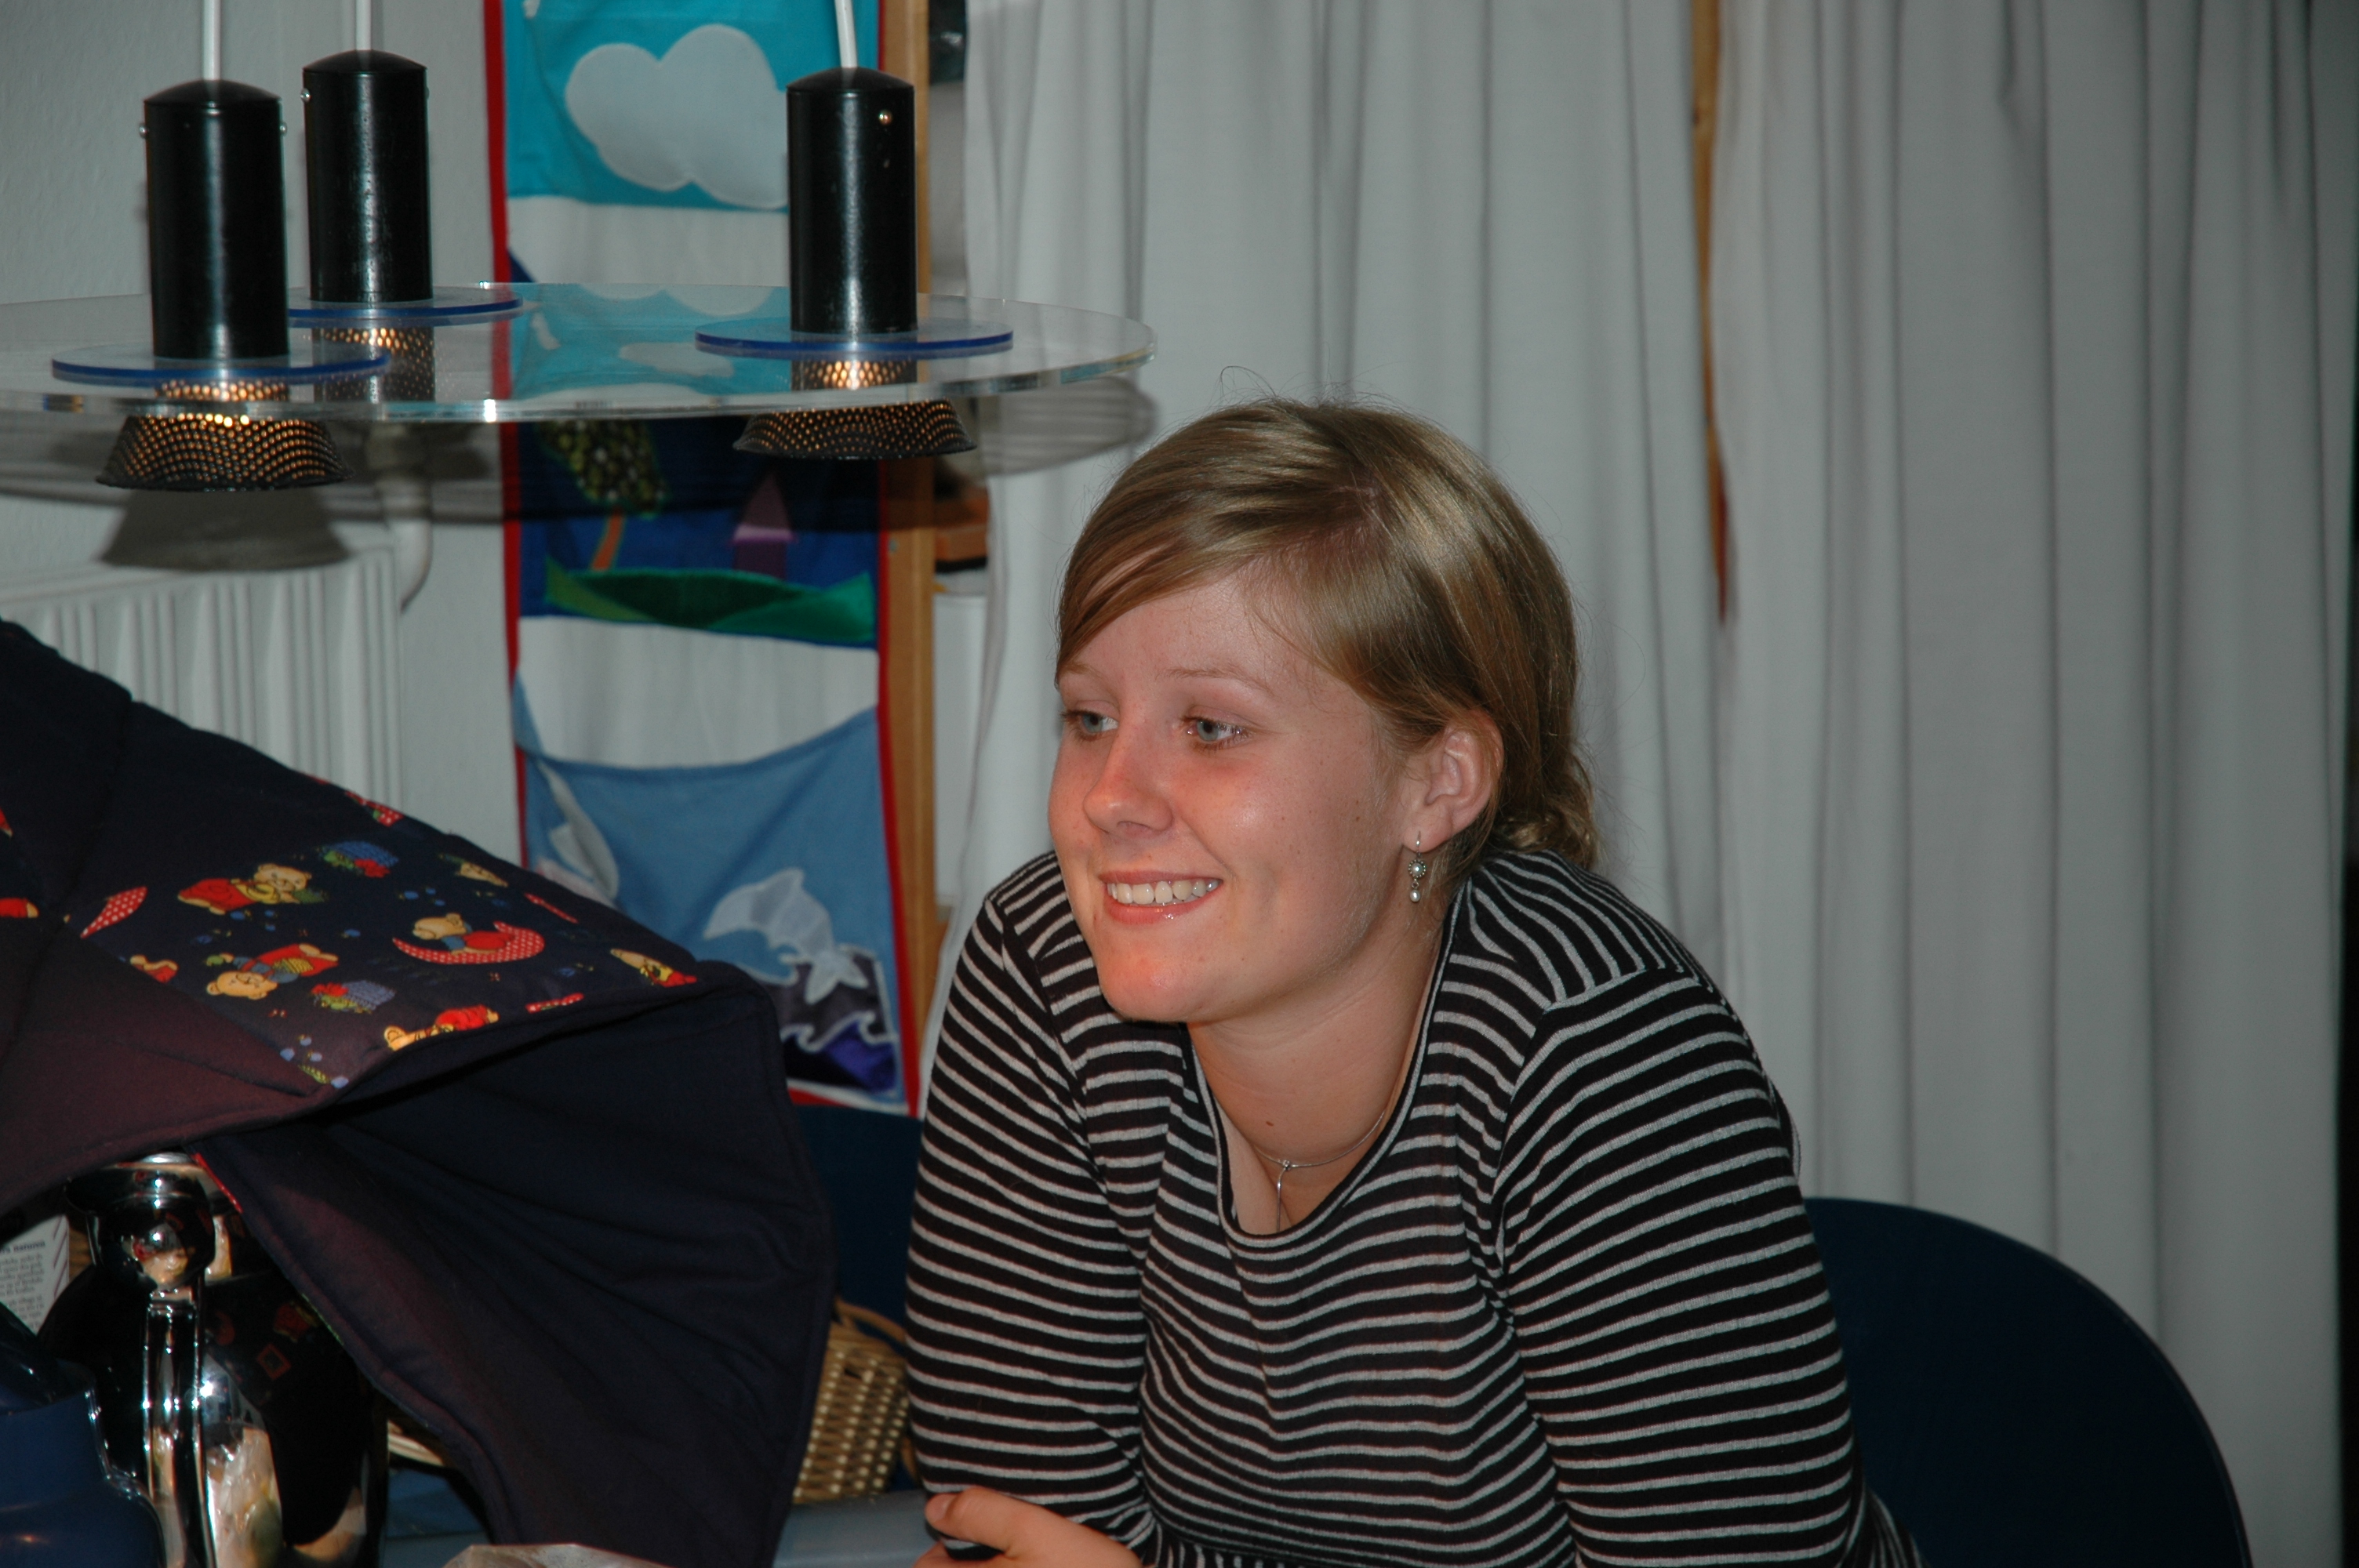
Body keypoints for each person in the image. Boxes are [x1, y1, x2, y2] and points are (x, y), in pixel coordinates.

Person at [906, 400, 1920, 1568]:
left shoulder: (1599, 1057)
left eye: (1213, 728)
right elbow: (1013, 1525)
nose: (1109, 798)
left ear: (1436, 783)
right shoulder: (1046, 964)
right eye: (1090, 717)